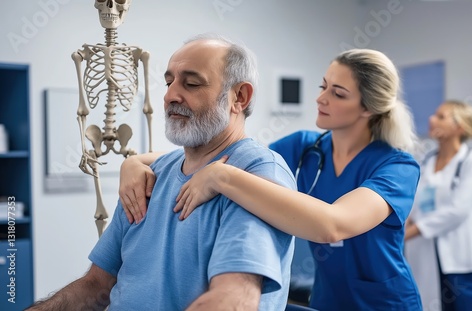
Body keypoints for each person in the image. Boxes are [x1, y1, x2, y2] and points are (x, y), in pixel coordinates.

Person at [119, 48, 424, 310]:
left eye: (337, 93)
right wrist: (136, 162)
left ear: (368, 108)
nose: (321, 98)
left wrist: (223, 178)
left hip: (384, 302)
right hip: (326, 299)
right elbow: (232, 159)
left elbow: (333, 226)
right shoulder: (305, 148)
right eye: (323, 86)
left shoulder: (397, 167)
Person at [27, 34, 296, 311]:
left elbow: (233, 299)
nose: (170, 96)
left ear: (239, 97)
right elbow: (97, 286)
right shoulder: (148, 176)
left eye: (191, 83)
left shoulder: (256, 174)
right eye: (169, 82)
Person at [405, 100, 472, 311]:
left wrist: (411, 232)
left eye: (441, 116)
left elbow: (457, 210)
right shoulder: (426, 162)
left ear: (460, 127)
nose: (431, 119)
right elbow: (414, 203)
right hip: (428, 258)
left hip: (465, 262)